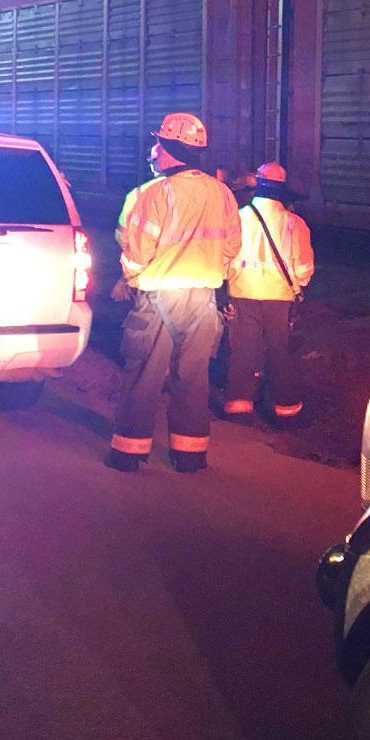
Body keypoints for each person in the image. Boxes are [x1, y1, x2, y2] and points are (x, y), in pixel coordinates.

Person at [106, 112, 240, 474]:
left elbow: (136, 249)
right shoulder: (222, 194)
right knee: (194, 378)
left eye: (159, 146)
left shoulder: (152, 194)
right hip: (203, 300)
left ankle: (128, 452)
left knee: (144, 375)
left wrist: (130, 280)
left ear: (167, 149)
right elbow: (231, 248)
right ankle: (190, 455)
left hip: (159, 296)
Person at [222, 161, 316, 423]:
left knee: (242, 349)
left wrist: (227, 283)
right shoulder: (295, 224)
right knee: (279, 350)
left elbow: (224, 258)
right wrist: (298, 286)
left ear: (257, 186)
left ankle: (239, 403)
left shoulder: (238, 219)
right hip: (280, 297)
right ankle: (285, 408)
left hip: (242, 293)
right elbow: (304, 268)